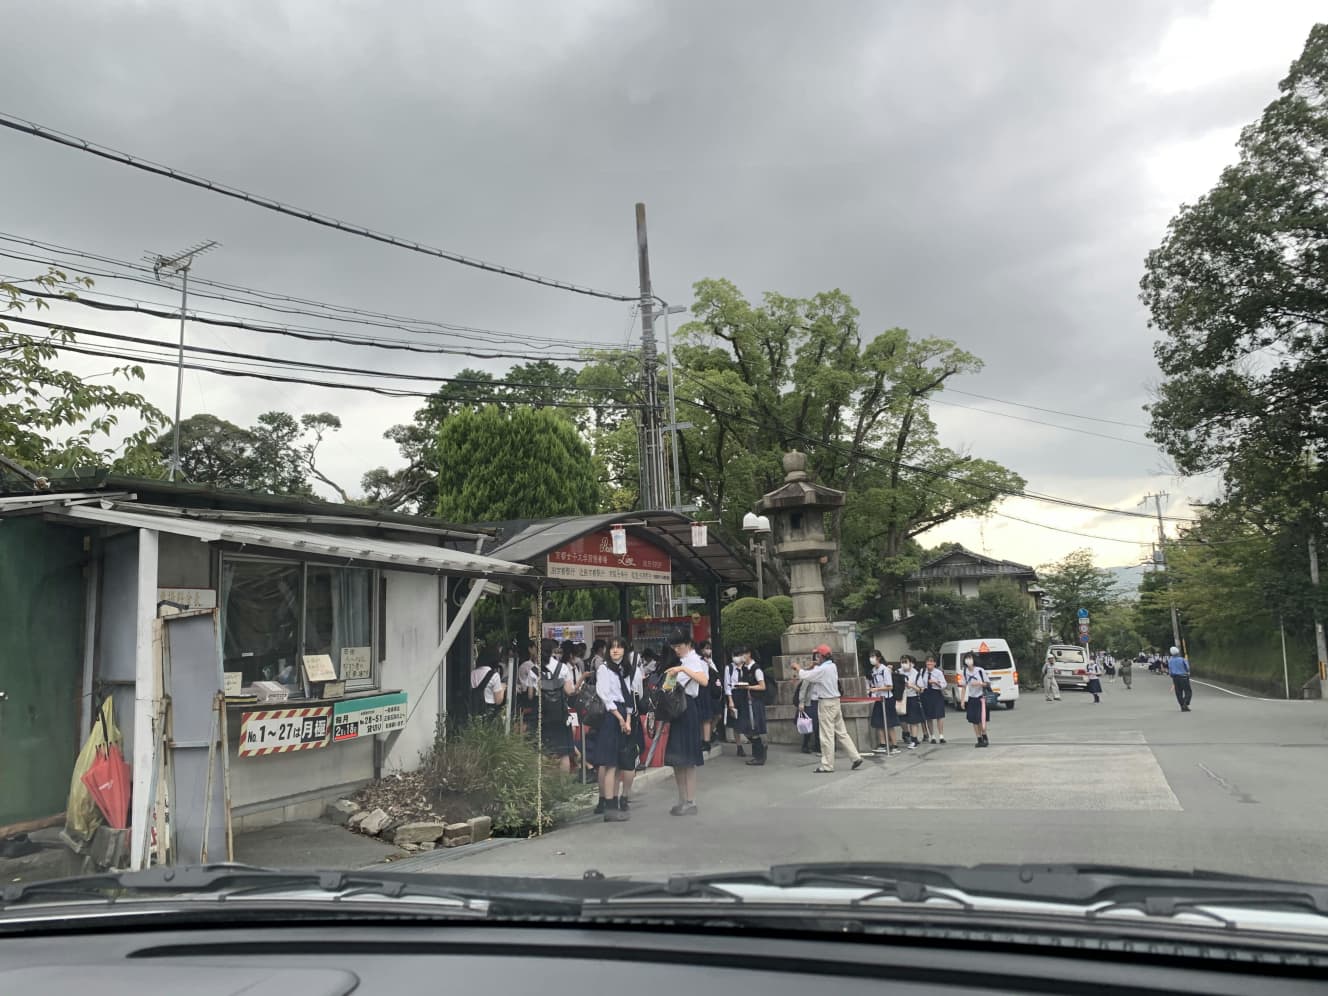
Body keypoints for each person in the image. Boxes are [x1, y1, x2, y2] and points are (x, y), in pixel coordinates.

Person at [791, 644, 864, 774]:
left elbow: (806, 676)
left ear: (821, 656)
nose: (816, 657)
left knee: (826, 735)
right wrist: (812, 666)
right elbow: (814, 673)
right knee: (842, 732)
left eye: (817, 655)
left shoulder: (823, 670)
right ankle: (855, 756)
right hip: (835, 702)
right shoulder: (832, 666)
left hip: (826, 703)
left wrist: (798, 668)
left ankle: (827, 765)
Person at [663, 631, 709, 815]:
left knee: (687, 759)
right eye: (674, 647)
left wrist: (682, 670)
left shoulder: (694, 661)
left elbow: (703, 681)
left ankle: (690, 800)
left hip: (688, 707)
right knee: (678, 759)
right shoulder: (683, 662)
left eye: (679, 646)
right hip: (678, 709)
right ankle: (683, 799)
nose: (676, 650)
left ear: (688, 644)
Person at [589, 639, 634, 822]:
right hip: (611, 716)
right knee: (609, 764)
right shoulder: (604, 669)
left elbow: (628, 695)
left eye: (619, 647)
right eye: (612, 647)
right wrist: (620, 718)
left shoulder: (624, 670)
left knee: (618, 764)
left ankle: (614, 804)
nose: (616, 650)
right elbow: (605, 696)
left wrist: (628, 719)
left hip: (623, 713)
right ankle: (609, 807)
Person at [537, 638, 579, 772]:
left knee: (542, 751)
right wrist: (581, 679)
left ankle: (547, 785)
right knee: (564, 753)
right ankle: (563, 786)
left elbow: (532, 695)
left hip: (542, 715)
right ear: (552, 651)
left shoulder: (534, 669)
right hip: (561, 715)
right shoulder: (562, 668)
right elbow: (570, 691)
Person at [733, 647, 769, 766]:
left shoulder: (756, 669)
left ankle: (759, 755)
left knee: (753, 728)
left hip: (754, 701)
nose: (741, 656)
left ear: (749, 654)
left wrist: (748, 687)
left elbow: (762, 686)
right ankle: (760, 751)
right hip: (746, 701)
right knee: (747, 728)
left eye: (743, 654)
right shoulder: (744, 668)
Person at [961, 653, 992, 748]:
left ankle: (984, 736)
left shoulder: (980, 670)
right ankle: (979, 738)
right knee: (974, 720)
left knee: (981, 719)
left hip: (981, 698)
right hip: (971, 698)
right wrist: (962, 700)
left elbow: (988, 684)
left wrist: (980, 683)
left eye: (970, 658)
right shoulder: (965, 671)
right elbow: (964, 687)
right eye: (966, 658)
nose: (968, 660)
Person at [469, 649, 506, 718]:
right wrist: (503, 688)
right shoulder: (495, 675)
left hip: (474, 709)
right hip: (489, 711)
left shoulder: (472, 673)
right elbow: (498, 701)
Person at [866, 651, 891, 754]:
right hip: (878, 698)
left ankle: (893, 745)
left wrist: (877, 689)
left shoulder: (884, 670)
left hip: (886, 698)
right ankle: (882, 743)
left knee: (889, 723)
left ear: (879, 658)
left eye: (873, 656)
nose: (871, 658)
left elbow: (890, 686)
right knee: (878, 722)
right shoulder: (873, 670)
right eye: (870, 656)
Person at [695, 639, 717, 753]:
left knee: (705, 717)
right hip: (707, 691)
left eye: (709, 648)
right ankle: (705, 740)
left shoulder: (704, 662)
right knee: (705, 718)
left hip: (703, 691)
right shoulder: (706, 661)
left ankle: (705, 741)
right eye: (706, 648)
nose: (708, 650)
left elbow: (705, 678)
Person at [723, 649, 746, 755]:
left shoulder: (746, 667)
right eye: (735, 655)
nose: (737, 657)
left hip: (745, 694)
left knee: (746, 720)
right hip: (735, 694)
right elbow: (727, 685)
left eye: (739, 655)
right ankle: (739, 746)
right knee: (736, 722)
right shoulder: (729, 668)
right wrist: (730, 700)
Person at [920, 655, 947, 744]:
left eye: (931, 661)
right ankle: (932, 736)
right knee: (929, 716)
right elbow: (920, 683)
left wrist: (935, 682)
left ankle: (941, 735)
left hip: (936, 693)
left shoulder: (938, 672)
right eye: (928, 662)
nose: (929, 663)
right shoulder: (922, 671)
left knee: (939, 715)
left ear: (935, 663)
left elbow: (944, 685)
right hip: (926, 694)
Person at [898, 655, 924, 748]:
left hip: (912, 697)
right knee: (902, 719)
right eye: (902, 662)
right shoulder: (898, 672)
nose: (904, 664)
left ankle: (914, 739)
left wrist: (912, 686)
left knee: (914, 720)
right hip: (901, 698)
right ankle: (906, 733)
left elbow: (921, 689)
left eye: (906, 662)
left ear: (910, 663)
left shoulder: (915, 673)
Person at [796, 674, 819, 754]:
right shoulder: (809, 676)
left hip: (820, 701)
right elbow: (803, 690)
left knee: (819, 724)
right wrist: (801, 702)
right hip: (810, 702)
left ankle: (818, 745)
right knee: (809, 724)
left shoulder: (823, 674)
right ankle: (805, 745)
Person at [1167, 645, 1193, 711]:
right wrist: (1187, 671)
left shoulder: (1170, 661)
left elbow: (1170, 670)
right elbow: (1187, 668)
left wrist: (1171, 675)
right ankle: (1185, 703)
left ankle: (1182, 705)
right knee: (1188, 691)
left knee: (1178, 692)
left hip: (1175, 677)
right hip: (1184, 677)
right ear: (1178, 652)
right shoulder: (1182, 659)